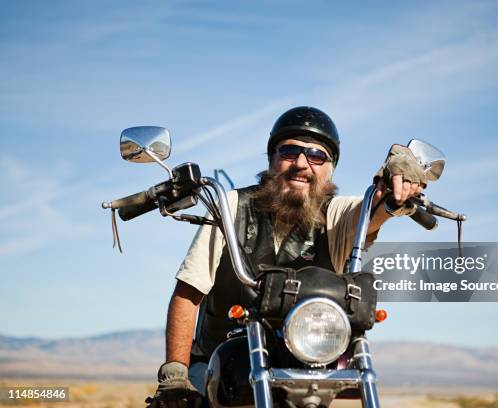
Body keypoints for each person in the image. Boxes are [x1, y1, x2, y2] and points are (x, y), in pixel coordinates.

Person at [146, 106, 428, 407]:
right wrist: (175, 374)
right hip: (220, 360)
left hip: (302, 368)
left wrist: (394, 188)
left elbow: (371, 213)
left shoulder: (336, 215)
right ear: (272, 160)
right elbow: (189, 292)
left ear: (330, 169)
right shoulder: (232, 207)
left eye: (317, 156)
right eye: (290, 152)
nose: (302, 164)